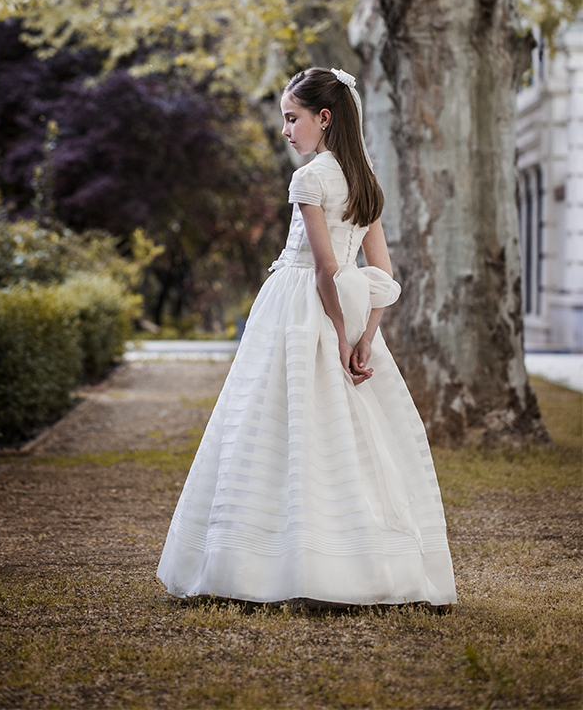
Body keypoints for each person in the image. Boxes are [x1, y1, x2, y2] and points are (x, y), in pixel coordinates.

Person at [157, 67, 456, 608]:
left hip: (302, 311)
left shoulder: (311, 178)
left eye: (292, 119)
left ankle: (268, 562)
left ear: (324, 118)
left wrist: (342, 339)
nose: (286, 130)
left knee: (277, 424)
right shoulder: (365, 181)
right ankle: (354, 560)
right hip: (348, 312)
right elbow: (383, 273)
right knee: (343, 436)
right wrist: (368, 337)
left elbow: (322, 269)